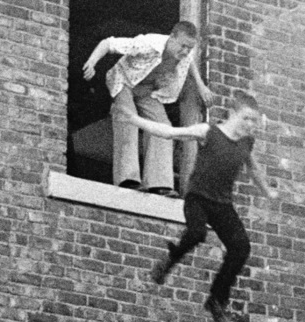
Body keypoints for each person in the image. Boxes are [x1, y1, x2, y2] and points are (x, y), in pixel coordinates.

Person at [123, 91, 278, 322]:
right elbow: (169, 132)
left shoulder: (247, 142)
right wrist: (135, 120)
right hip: (197, 199)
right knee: (197, 233)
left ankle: (216, 299)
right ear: (232, 113)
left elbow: (253, 169)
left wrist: (267, 190)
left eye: (254, 121)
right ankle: (169, 262)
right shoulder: (208, 132)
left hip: (222, 204)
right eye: (246, 118)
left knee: (241, 248)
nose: (250, 125)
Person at [82, 21, 212, 193]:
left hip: (147, 89)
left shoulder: (185, 53)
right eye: (183, 46)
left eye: (190, 47)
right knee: (128, 120)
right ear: (171, 37)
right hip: (124, 81)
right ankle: (127, 180)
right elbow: (108, 43)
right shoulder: (148, 43)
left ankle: (159, 184)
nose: (186, 51)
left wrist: (201, 85)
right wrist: (92, 62)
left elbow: (190, 62)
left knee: (163, 127)